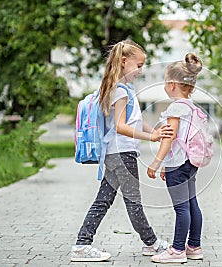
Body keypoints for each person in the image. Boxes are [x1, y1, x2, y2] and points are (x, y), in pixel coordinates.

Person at [70, 40, 172, 262]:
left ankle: (82, 244)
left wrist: (154, 130)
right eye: (139, 65)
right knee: (133, 202)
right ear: (124, 62)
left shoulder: (121, 89)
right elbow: (120, 126)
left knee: (104, 200)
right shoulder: (120, 92)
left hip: (116, 154)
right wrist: (151, 137)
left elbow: (135, 122)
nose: (141, 70)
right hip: (122, 154)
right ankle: (152, 243)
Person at [147, 53, 204, 263]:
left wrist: (156, 162)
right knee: (191, 204)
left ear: (172, 84)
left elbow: (169, 138)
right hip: (189, 162)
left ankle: (178, 250)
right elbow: (182, 138)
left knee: (181, 208)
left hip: (178, 166)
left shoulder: (175, 108)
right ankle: (194, 246)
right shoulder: (192, 107)